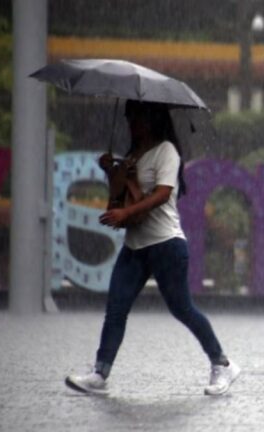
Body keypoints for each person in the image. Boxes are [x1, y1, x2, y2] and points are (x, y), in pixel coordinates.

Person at [65, 101, 240, 395]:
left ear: (152, 118)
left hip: (166, 245)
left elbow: (162, 195)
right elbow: (119, 200)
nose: (131, 123)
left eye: (136, 117)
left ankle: (222, 364)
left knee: (182, 309)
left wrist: (126, 211)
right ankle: (100, 373)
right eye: (128, 117)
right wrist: (112, 173)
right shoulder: (132, 156)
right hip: (135, 247)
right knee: (116, 309)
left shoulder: (167, 151)